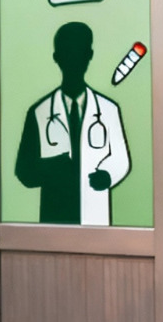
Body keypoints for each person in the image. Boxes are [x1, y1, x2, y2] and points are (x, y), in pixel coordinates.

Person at [14, 21, 132, 225]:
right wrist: (53, 167)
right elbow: (24, 171)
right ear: (57, 58)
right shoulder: (39, 112)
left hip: (95, 213)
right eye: (67, 52)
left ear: (90, 55)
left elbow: (121, 158)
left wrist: (108, 174)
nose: (74, 58)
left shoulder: (108, 109)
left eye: (80, 51)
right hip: (55, 214)